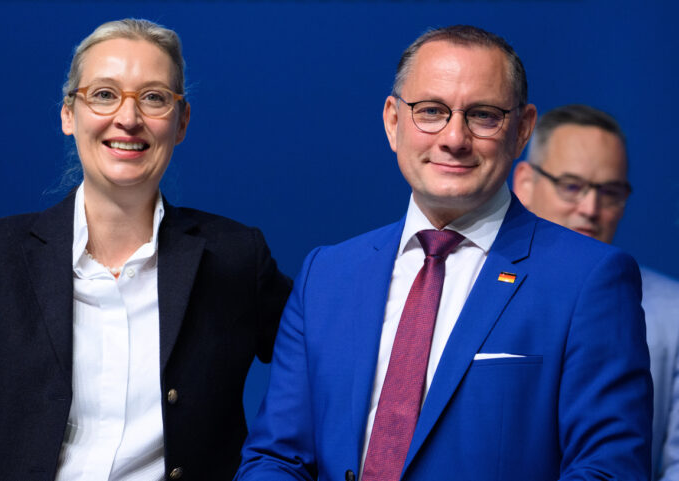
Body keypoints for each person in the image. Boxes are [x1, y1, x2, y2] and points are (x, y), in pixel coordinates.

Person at [235, 25, 651, 481]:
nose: (455, 138)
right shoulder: (327, 276)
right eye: (431, 111)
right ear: (393, 122)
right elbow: (276, 459)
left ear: (522, 130)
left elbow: (607, 470)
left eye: (484, 115)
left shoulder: (588, 279)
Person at [0, 18, 291, 480]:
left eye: (153, 97)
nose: (128, 119)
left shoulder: (235, 258)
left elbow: (329, 368)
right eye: (105, 94)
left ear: (181, 121)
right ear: (68, 114)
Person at [513, 104, 679, 481]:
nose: (590, 208)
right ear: (524, 182)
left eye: (610, 192)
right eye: (571, 186)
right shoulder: (464, 290)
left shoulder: (674, 315)